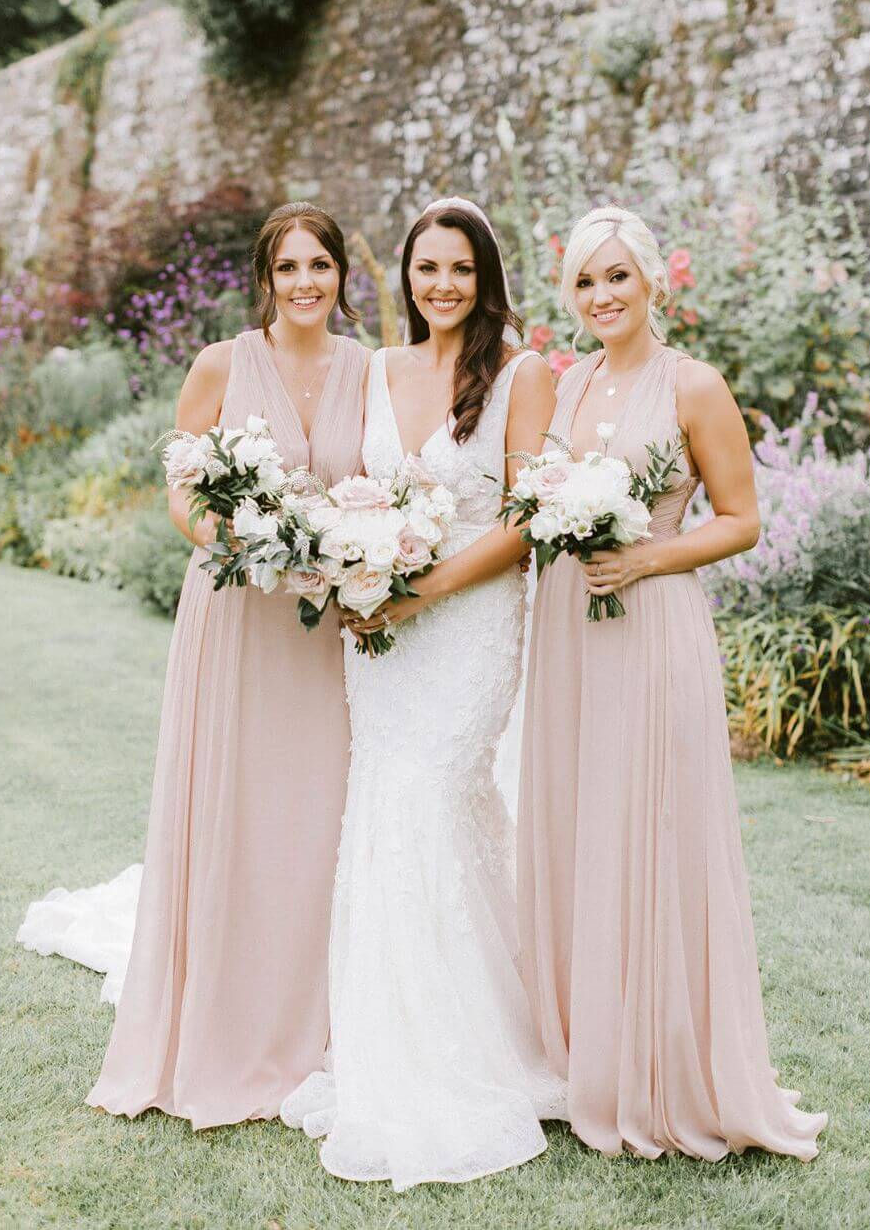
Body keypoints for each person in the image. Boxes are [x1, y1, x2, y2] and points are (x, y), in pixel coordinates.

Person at [19, 203, 369, 1130]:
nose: (305, 282)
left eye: (320, 265)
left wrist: (352, 552)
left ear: (342, 275)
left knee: (315, 814)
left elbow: (379, 485)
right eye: (288, 266)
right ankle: (219, 1012)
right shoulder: (221, 364)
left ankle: (315, 1017)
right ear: (265, 276)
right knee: (232, 805)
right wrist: (238, 536)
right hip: (233, 614)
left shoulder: (370, 371)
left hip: (323, 624)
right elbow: (182, 487)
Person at [517, 205, 827, 1161]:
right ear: (569, 295)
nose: (603, 296)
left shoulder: (694, 384)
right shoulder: (563, 389)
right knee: (581, 825)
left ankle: (662, 1065)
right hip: (570, 629)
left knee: (649, 825)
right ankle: (583, 1056)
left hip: (651, 627)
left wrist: (647, 558)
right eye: (586, 281)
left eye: (619, 277)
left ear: (653, 280)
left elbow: (741, 518)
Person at [280, 197, 566, 1189]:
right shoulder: (377, 369)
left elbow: (527, 520)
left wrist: (417, 592)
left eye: (460, 270)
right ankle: (390, 1033)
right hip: (380, 634)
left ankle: (479, 1045)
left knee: (438, 797)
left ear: (486, 278)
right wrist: (351, 566)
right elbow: (346, 485)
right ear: (403, 275)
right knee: (387, 807)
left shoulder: (521, 373)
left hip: (471, 625)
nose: (441, 285)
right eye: (425, 268)